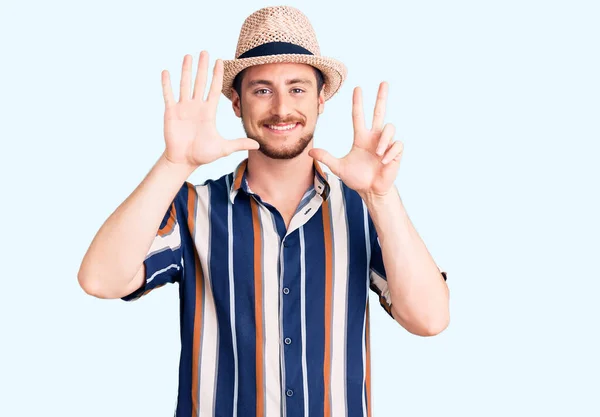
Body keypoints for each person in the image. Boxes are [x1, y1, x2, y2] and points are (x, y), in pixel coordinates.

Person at [77, 5, 449, 417]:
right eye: (262, 90)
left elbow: (429, 319)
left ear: (322, 99)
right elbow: (99, 279)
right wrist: (175, 164)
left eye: (297, 88)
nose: (281, 108)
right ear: (236, 102)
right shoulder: (192, 208)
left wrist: (381, 197)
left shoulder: (364, 211)